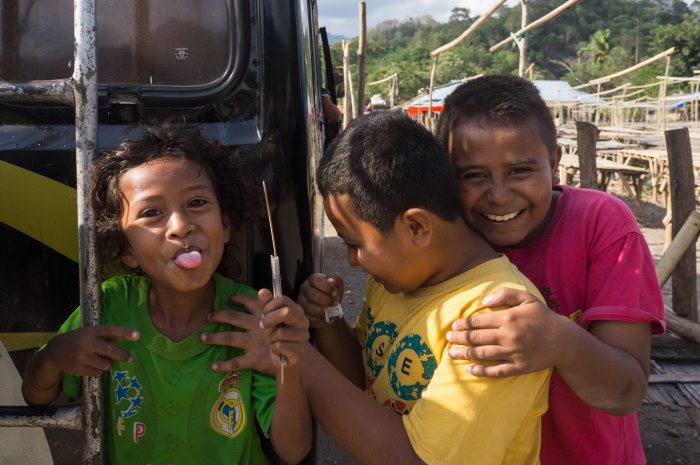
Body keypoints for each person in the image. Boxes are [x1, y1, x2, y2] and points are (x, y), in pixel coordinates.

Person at [21, 124, 312, 465]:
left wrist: (287, 366)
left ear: (226, 226)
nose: (179, 226)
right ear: (126, 249)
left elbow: (294, 450)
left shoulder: (251, 316)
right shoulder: (108, 305)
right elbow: (35, 396)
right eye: (152, 213)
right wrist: (55, 355)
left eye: (197, 202)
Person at [297, 110, 551, 465]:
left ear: (416, 227)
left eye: (354, 244)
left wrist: (300, 362)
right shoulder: (394, 282)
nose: (353, 260)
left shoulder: (495, 314)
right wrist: (327, 321)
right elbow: (363, 380)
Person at [435, 75, 666, 465]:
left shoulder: (602, 225)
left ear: (555, 163)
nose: (499, 196)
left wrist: (558, 340)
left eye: (520, 171)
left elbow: (626, 393)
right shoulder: (441, 237)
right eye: (473, 176)